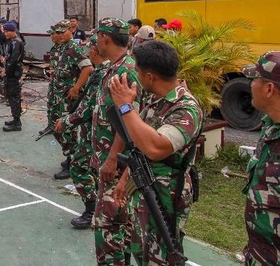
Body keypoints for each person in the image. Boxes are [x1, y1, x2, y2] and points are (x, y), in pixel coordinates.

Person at [111, 40, 203, 265]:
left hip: (166, 196)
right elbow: (138, 146)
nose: (135, 75)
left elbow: (155, 148)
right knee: (140, 249)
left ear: (150, 76)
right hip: (143, 186)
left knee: (162, 255)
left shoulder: (186, 108)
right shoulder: (156, 100)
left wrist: (125, 107)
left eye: (137, 71)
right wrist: (125, 181)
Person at [91, 17, 143, 265]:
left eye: (97, 36)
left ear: (105, 37)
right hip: (110, 163)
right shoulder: (115, 67)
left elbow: (129, 124)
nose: (96, 41)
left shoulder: (125, 71)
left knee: (108, 230)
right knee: (118, 229)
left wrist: (112, 159)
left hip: (118, 167)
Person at [56, 33, 109, 229]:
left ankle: (91, 209)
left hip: (99, 133)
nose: (89, 53)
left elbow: (88, 105)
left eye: (90, 50)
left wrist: (67, 121)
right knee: (94, 169)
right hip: (93, 130)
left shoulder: (103, 73)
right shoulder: (104, 70)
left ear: (96, 51)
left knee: (79, 167)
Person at [241, 51, 280, 266]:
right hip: (261, 251)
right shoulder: (270, 126)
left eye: (253, 79)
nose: (250, 85)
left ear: (269, 88)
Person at [47, 20, 92, 180]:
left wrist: (76, 88)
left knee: (67, 130)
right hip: (57, 96)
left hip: (67, 97)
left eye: (60, 32)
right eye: (55, 33)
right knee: (55, 126)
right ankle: (70, 155)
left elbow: (87, 68)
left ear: (69, 31)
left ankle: (73, 161)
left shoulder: (74, 48)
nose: (56, 36)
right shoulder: (59, 48)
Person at [1, 22, 25, 131]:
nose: (5, 33)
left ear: (13, 31)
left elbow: (14, 60)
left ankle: (17, 122)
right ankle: (15, 119)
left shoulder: (16, 42)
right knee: (12, 96)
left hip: (13, 74)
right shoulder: (14, 42)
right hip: (13, 72)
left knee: (13, 97)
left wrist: (6, 71)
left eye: (7, 31)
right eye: (4, 31)